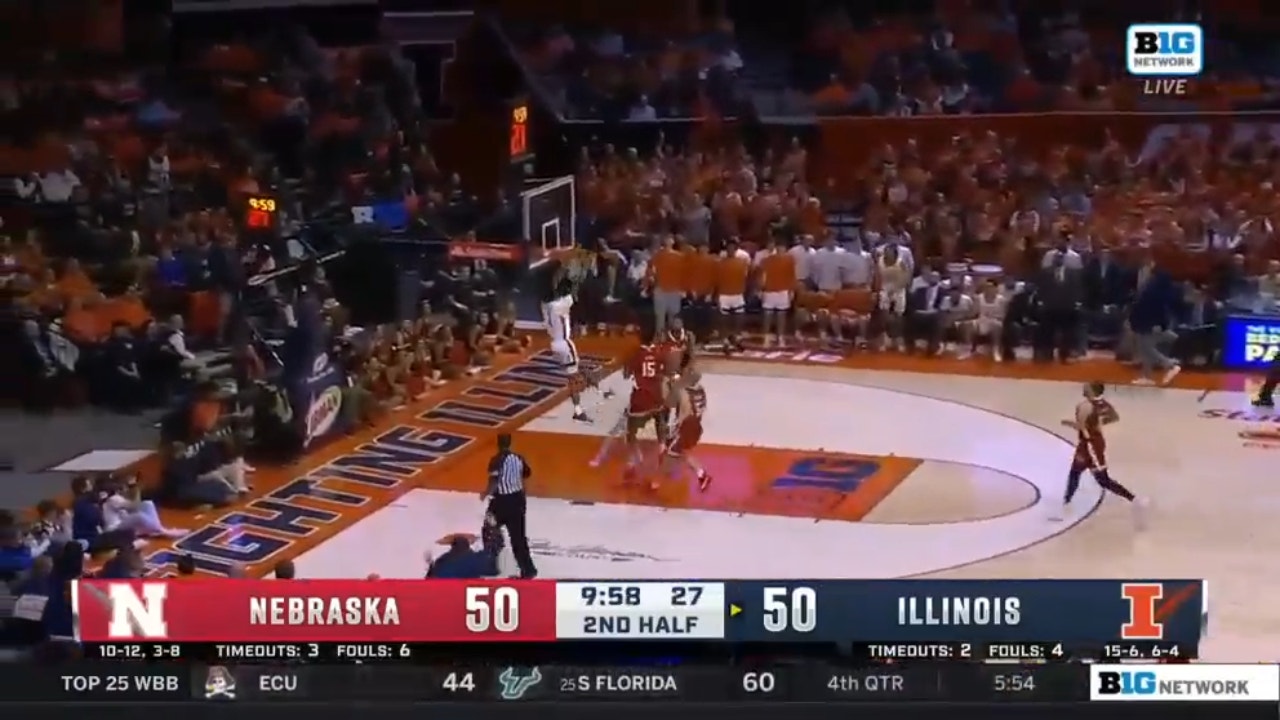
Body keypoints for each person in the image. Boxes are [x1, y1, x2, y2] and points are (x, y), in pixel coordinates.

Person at [1052, 382, 1147, 527]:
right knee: (1075, 472)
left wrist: (1067, 423)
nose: (1084, 388)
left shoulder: (1084, 406)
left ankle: (1135, 500)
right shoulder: (1104, 404)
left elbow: (1081, 426)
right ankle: (1066, 502)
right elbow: (1115, 417)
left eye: (1087, 387)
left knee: (1102, 480)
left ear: (1092, 391)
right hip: (1092, 443)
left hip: (1090, 445)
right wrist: (1099, 422)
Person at [546, 277, 611, 422]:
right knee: (574, 379)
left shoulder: (550, 305)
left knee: (578, 369)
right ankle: (578, 411)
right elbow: (574, 296)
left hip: (555, 344)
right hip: (564, 344)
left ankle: (600, 390)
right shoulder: (565, 302)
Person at [483, 433, 536, 579]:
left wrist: (485, 493)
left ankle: (490, 563)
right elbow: (526, 474)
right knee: (519, 538)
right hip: (518, 502)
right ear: (510, 443)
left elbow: (493, 481)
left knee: (489, 529)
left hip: (500, 503)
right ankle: (528, 570)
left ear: (498, 444)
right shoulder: (519, 458)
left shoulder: (496, 460)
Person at [658, 355, 712, 492]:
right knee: (682, 452)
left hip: (686, 427)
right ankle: (701, 474)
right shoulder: (700, 389)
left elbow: (669, 403)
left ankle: (657, 482)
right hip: (695, 425)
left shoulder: (682, 390)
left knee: (670, 452)